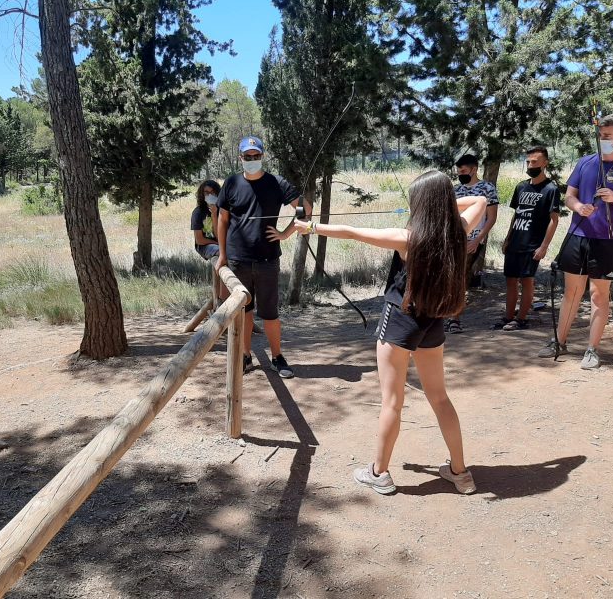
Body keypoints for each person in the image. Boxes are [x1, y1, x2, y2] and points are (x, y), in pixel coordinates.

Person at [269, 171, 487, 495]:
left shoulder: (408, 238)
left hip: (400, 320)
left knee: (392, 402)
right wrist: (441, 207)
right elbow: (480, 200)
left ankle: (379, 473)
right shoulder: (459, 231)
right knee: (439, 397)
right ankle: (460, 473)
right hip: (432, 321)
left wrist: (310, 227)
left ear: (423, 204)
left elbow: (352, 232)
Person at [537, 113, 613, 369]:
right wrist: (579, 207)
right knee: (571, 292)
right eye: (600, 135)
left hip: (608, 240)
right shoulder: (585, 162)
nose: (602, 140)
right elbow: (569, 196)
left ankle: (592, 350)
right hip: (578, 235)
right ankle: (559, 341)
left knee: (599, 295)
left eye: (607, 136)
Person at [216, 136, 305, 378]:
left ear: (262, 156)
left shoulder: (277, 183)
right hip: (238, 260)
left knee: (270, 313)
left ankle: (277, 357)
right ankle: (245, 355)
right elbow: (222, 219)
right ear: (240, 158)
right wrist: (222, 255)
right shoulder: (231, 183)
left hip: (268, 260)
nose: (252, 160)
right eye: (248, 156)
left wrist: (285, 233)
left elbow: (304, 208)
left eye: (256, 156)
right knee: (243, 311)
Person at [494, 146, 561, 331]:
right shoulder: (521, 186)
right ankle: (508, 317)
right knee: (510, 280)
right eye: (528, 162)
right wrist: (508, 238)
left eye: (535, 162)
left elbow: (554, 220)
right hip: (515, 241)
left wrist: (544, 246)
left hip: (532, 245)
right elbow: (516, 214)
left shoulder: (551, 189)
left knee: (527, 281)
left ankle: (521, 319)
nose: (531, 165)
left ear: (545, 163)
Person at [445, 154, 499, 333]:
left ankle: (455, 319)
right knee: (450, 278)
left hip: (473, 240)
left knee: (460, 277)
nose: (460, 174)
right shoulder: (455, 190)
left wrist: (477, 240)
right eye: (459, 172)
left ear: (474, 169)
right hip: (453, 240)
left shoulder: (487, 188)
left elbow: (491, 218)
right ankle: (447, 315)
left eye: (463, 171)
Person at [191, 180, 221, 260]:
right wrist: (217, 243)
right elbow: (199, 240)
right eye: (206, 192)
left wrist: (214, 215)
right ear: (202, 195)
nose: (210, 195)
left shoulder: (222, 211)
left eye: (213, 192)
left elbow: (219, 236)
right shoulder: (198, 212)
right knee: (221, 252)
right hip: (204, 246)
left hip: (220, 243)